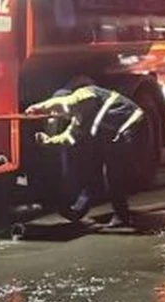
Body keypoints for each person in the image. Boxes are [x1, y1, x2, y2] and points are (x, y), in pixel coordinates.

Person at [25, 84, 146, 229]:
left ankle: (122, 216)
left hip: (130, 124)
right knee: (106, 170)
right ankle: (115, 214)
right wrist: (47, 141)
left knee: (114, 173)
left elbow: (69, 102)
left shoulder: (83, 94)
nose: (57, 114)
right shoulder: (79, 119)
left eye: (57, 111)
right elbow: (69, 138)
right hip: (119, 133)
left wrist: (40, 107)